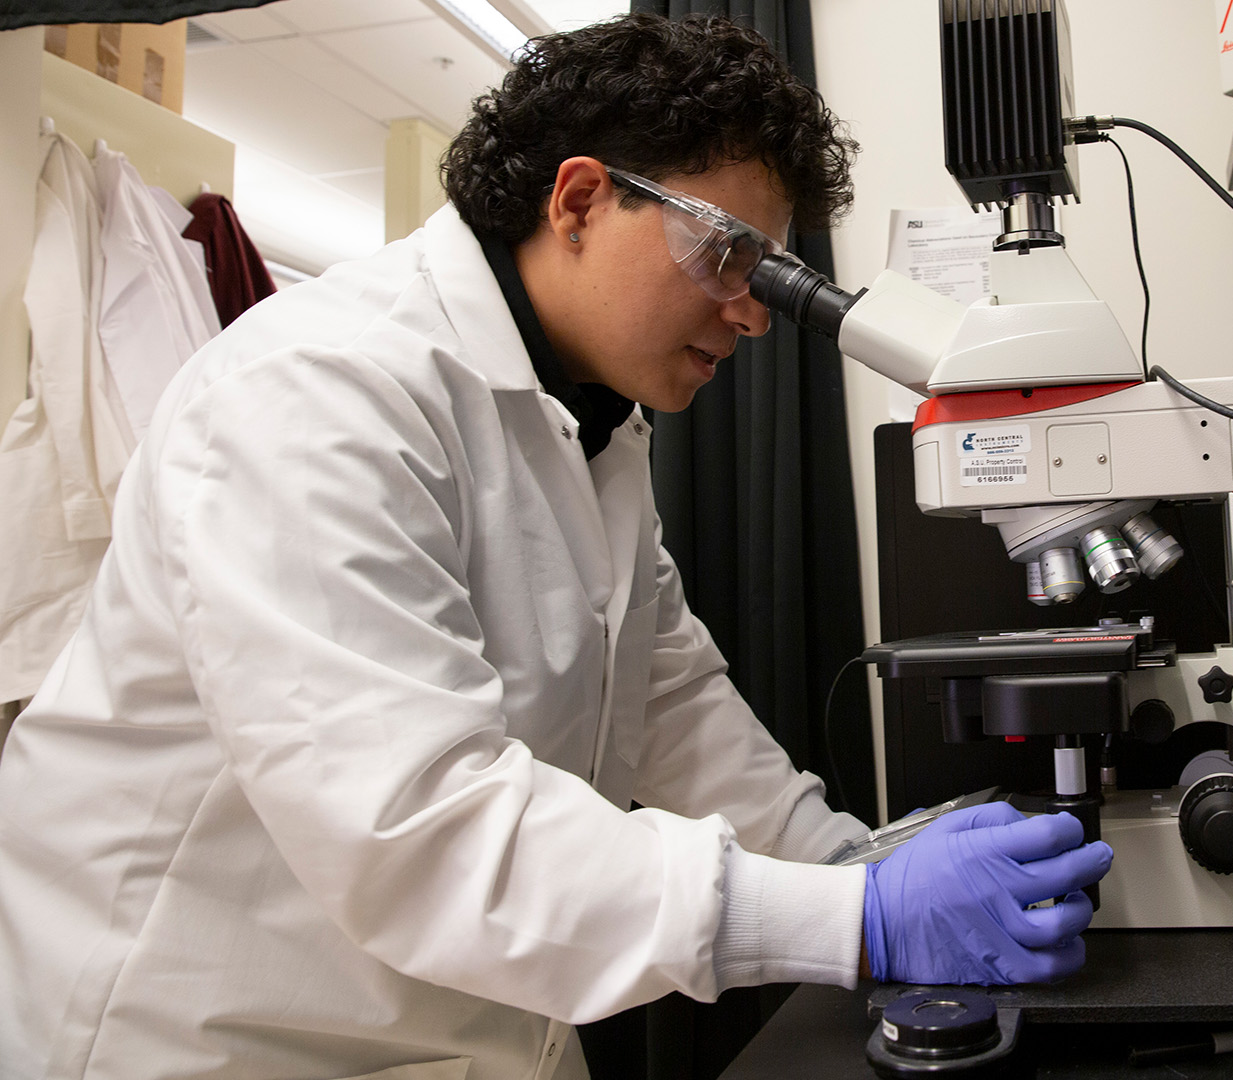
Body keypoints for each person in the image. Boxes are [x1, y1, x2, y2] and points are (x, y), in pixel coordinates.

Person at [0, 15, 1111, 1080]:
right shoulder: (314, 391)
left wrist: (841, 857)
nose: (755, 313)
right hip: (207, 1036)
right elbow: (422, 832)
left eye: (770, 272)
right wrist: (856, 920)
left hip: (453, 1024)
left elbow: (670, 700)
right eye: (730, 254)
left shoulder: (588, 423)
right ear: (579, 200)